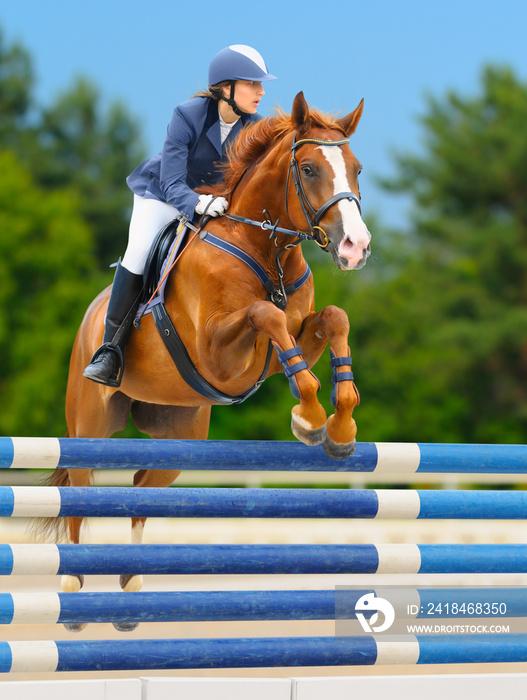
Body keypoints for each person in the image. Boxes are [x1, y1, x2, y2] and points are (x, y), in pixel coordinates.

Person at [83, 45, 276, 386]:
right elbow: (172, 182)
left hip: (216, 206)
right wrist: (198, 204)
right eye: (252, 84)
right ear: (226, 88)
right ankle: (110, 351)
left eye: (261, 85)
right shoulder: (187, 115)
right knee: (139, 252)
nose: (261, 92)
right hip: (162, 196)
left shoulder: (255, 128)